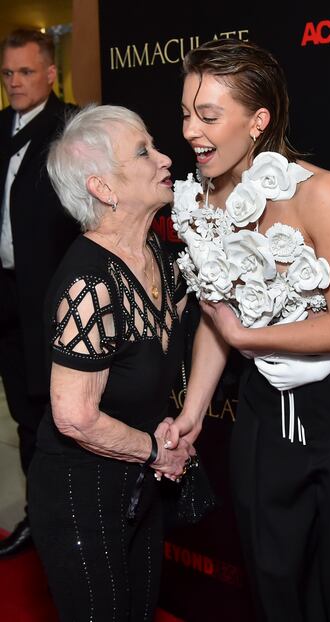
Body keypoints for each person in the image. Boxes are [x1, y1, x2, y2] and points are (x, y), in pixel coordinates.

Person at [168, 38, 330, 622]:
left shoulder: (322, 192)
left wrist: (247, 338)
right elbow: (215, 318)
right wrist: (193, 415)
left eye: (207, 116)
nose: (190, 131)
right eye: (184, 113)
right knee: (271, 577)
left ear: (258, 120)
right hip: (263, 410)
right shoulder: (202, 198)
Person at [26, 103, 193, 621]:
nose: (166, 158)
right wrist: (155, 450)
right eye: (144, 151)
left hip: (136, 484)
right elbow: (73, 416)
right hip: (80, 495)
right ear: (103, 188)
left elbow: (196, 328)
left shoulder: (158, 258)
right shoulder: (90, 284)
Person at [0, 29, 79, 557]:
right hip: (5, 297)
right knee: (24, 416)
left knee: (63, 418)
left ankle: (70, 523)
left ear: (50, 73)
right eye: (7, 74)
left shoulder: (71, 128)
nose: (14, 82)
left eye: (25, 72)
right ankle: (37, 517)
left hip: (52, 300)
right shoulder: (0, 128)